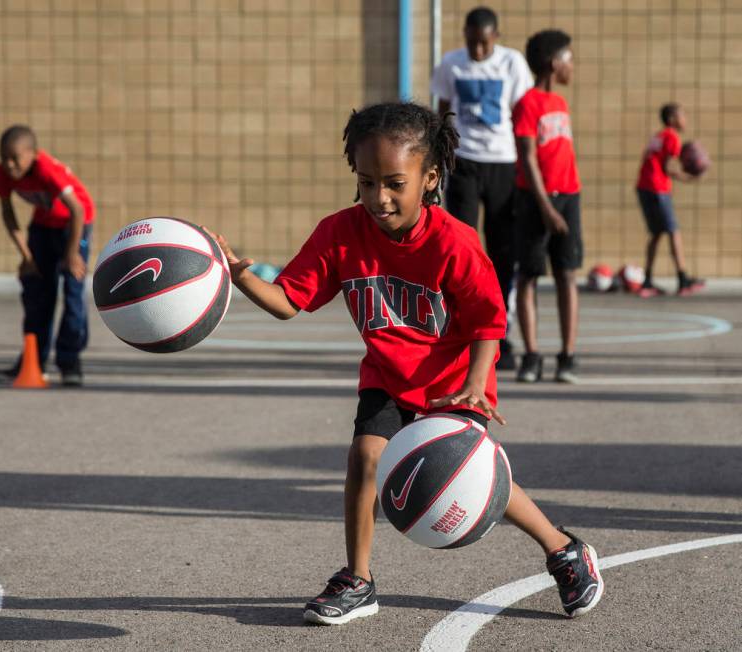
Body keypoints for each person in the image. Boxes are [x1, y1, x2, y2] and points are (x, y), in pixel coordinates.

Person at [208, 102, 603, 625]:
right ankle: (358, 580)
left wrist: (475, 386)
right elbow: (287, 301)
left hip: (453, 385)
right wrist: (241, 275)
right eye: (367, 182)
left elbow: (489, 322)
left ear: (430, 177)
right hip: (389, 377)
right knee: (364, 460)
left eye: (394, 182)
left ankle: (563, 550)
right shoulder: (339, 233)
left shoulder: (455, 243)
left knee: (471, 477)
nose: (379, 197)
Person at [431, 6, 533, 371]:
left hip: (503, 163)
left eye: (483, 44)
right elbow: (442, 113)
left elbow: (524, 116)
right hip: (464, 163)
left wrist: (525, 167)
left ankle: (500, 334)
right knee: (462, 248)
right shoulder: (451, 63)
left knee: (503, 249)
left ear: (496, 38)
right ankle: (460, 331)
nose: (476, 51)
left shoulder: (512, 64)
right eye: (471, 42)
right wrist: (440, 162)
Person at [0, 125, 95, 386]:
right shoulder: (3, 173)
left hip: (74, 225)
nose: (10, 164)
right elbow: (7, 213)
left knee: (72, 293)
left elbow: (78, 210)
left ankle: (70, 361)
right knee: (38, 291)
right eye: (4, 157)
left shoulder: (47, 169)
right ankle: (33, 360)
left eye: (15, 157)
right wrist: (26, 256)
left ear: (32, 154)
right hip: (43, 225)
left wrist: (72, 254)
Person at [512, 30, 582, 384]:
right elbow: (527, 158)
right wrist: (545, 207)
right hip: (536, 201)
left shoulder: (561, 104)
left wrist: (561, 205)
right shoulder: (527, 104)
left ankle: (568, 356)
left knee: (566, 274)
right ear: (555, 64)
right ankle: (532, 355)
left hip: (569, 196)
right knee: (528, 277)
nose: (573, 66)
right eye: (569, 59)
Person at [635, 103, 705, 297]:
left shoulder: (658, 136)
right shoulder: (672, 137)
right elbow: (667, 168)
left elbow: (649, 160)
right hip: (657, 188)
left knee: (656, 233)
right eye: (683, 115)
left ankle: (647, 281)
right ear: (673, 119)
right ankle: (683, 279)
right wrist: (688, 177)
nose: (686, 119)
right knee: (673, 231)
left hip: (644, 186)